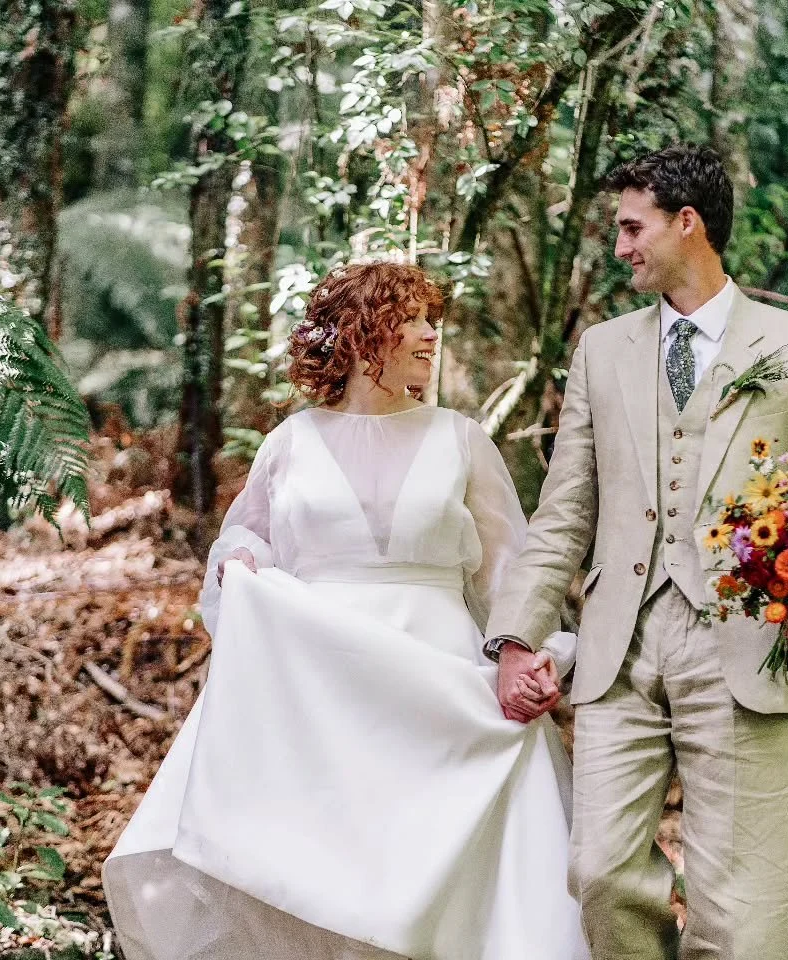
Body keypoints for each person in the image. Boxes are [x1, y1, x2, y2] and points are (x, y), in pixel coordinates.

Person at [103, 261, 587, 960]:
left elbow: (513, 571)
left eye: (431, 320)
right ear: (366, 331)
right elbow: (248, 535)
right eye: (414, 318)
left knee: (440, 875)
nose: (429, 334)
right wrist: (240, 560)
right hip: (319, 687)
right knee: (318, 868)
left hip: (438, 689)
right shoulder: (290, 443)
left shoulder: (461, 441)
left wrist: (533, 652)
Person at [485, 144, 788, 960]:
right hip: (619, 645)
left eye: (631, 227)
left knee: (741, 916)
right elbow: (564, 511)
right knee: (600, 872)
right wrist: (518, 638)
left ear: (687, 223)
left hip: (748, 645)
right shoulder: (601, 350)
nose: (620, 247)